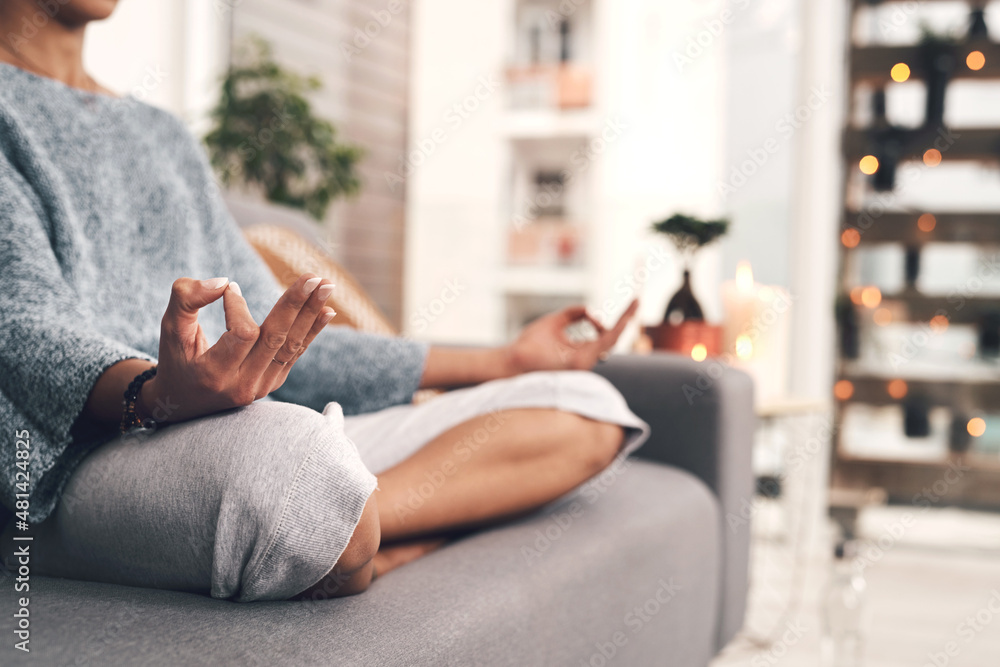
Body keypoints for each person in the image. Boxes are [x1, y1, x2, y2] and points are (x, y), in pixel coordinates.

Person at [0, 0, 648, 601]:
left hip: (235, 428)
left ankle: (357, 528)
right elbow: (21, 324)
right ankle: (356, 524)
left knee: (585, 405)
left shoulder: (163, 135)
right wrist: (155, 391)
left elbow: (277, 338)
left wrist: (502, 362)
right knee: (297, 479)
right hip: (80, 459)